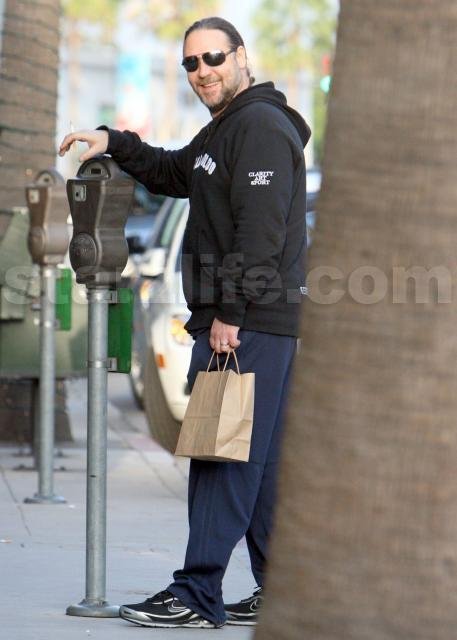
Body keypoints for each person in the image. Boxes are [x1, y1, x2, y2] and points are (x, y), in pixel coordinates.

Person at [60, 16, 311, 630]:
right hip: (257, 323)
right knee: (260, 465)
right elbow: (174, 172)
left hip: (247, 323)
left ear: (241, 56)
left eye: (213, 58)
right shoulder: (226, 128)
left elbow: (260, 232)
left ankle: (197, 593)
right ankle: (284, 590)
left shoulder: (259, 126)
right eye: (191, 63)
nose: (203, 71)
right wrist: (113, 141)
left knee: (221, 459)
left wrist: (231, 313)